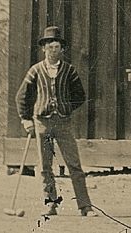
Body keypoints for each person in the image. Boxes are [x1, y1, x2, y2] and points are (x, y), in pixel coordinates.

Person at [15, 26, 97, 217]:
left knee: (74, 165)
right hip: (41, 123)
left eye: (57, 47)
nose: (53, 51)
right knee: (45, 166)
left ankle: (85, 207)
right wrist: (26, 120)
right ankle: (50, 204)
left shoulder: (69, 71)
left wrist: (66, 107)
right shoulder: (35, 70)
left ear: (62, 49)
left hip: (63, 123)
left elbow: (80, 96)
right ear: (44, 48)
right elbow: (21, 97)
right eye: (50, 47)